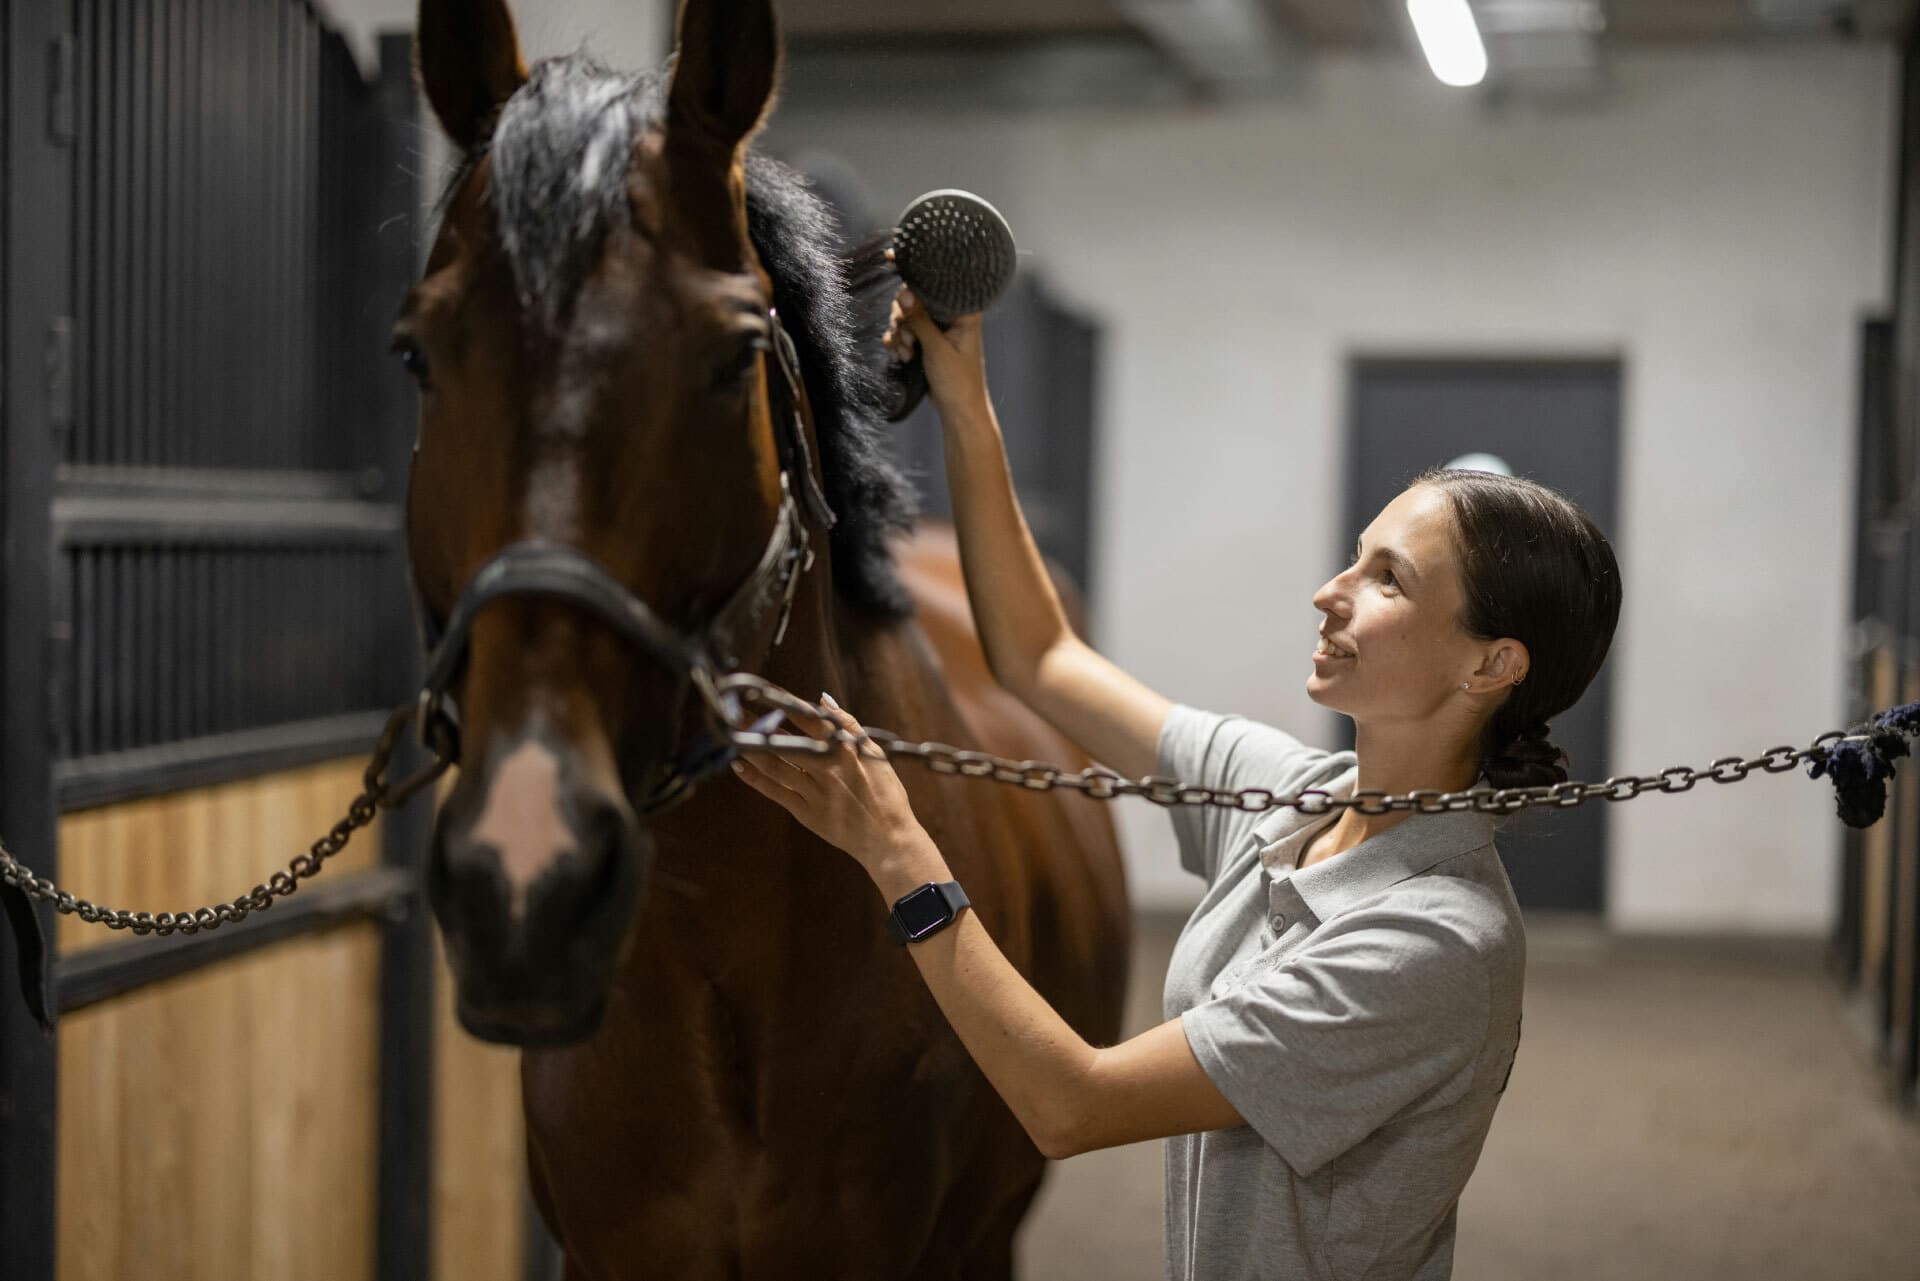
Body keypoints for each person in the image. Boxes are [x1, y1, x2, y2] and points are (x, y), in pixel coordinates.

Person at [730, 282, 1623, 1280]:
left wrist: (897, 854)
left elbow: (1072, 1105)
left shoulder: (1439, 942)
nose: (1330, 594)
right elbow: (1041, 660)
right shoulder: (1289, 795)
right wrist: (967, 404)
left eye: (1387, 579)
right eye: (1354, 559)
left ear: (1492, 666)